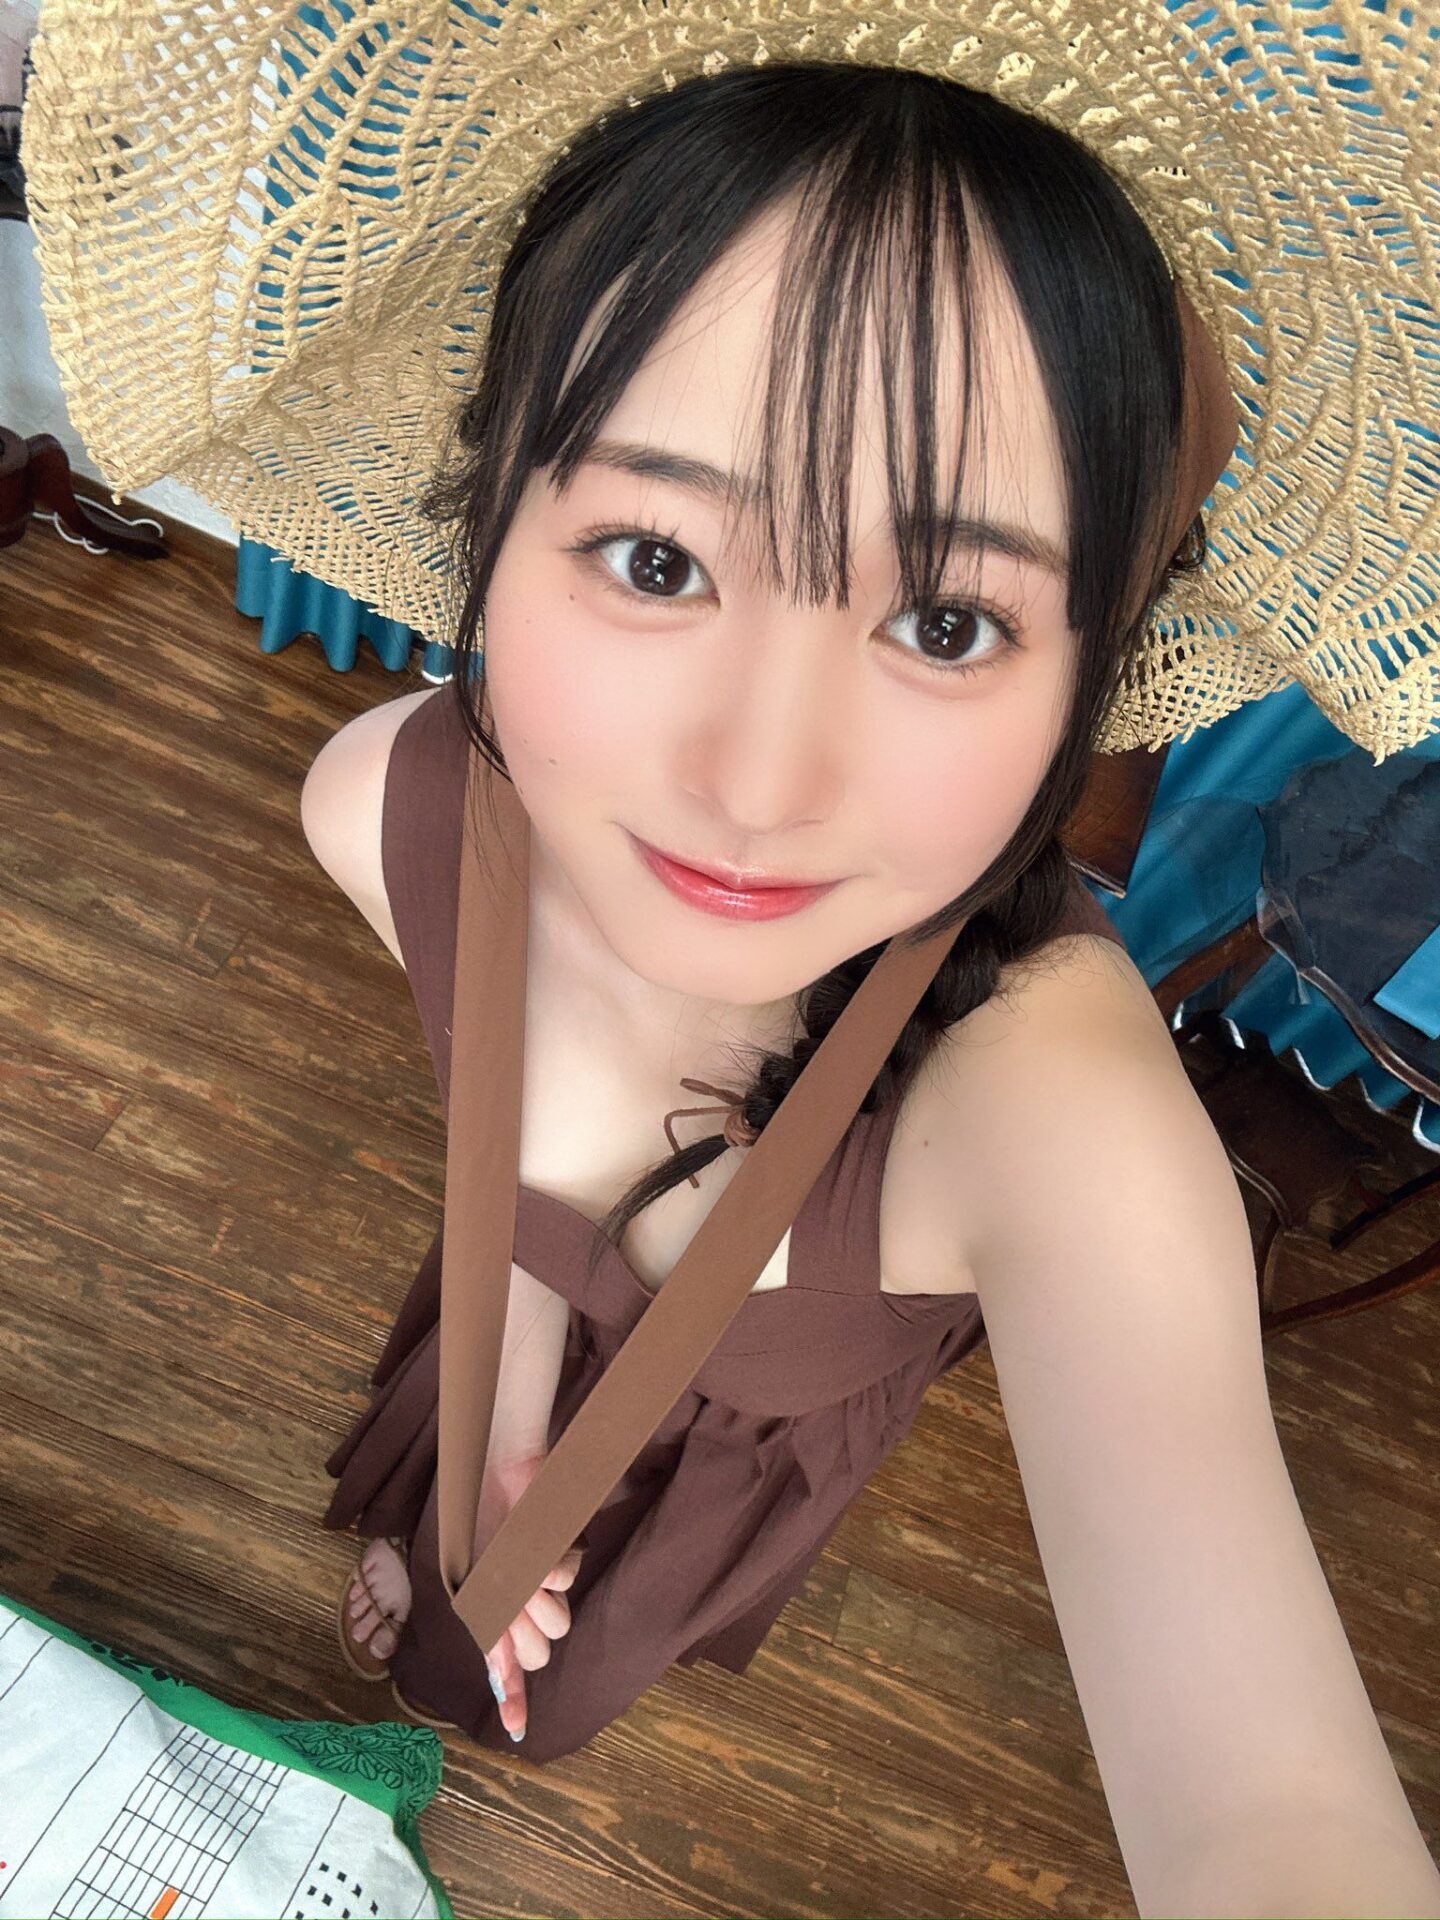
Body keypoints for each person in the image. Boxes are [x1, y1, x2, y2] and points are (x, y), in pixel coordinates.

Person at [25, 9, 1440, 1910]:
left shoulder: (1048, 1112)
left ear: (1089, 673)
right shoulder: (384, 811)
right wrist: (494, 1436)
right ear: (487, 519)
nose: (759, 786)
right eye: (658, 559)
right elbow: (514, 1181)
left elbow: (1274, 1820)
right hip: (497, 1363)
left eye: (947, 620)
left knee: (568, 1677)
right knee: (447, 1582)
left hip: (715, 1484)